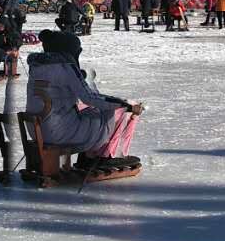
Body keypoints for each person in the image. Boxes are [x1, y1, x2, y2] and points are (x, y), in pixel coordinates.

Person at [24, 30, 143, 173]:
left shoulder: (37, 66)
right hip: (59, 132)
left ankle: (89, 156)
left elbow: (60, 86)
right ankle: (105, 156)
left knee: (90, 112)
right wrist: (123, 104)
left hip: (37, 129)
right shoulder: (66, 66)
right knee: (112, 110)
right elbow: (90, 98)